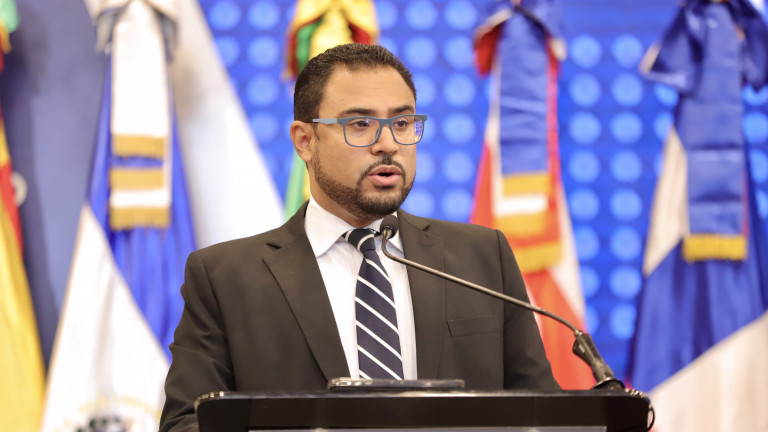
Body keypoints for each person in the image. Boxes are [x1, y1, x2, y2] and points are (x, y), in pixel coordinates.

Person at [159, 43, 559, 432]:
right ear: (305, 141)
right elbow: (186, 423)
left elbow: (545, 415)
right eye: (360, 125)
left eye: (402, 123)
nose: (388, 145)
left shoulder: (482, 258)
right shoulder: (225, 278)